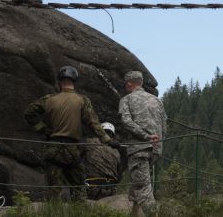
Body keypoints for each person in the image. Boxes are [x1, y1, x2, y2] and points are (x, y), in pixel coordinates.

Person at [23, 66, 118, 202]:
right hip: (73, 151)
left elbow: (28, 113)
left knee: (54, 190)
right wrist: (108, 140)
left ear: (59, 82)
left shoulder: (48, 99)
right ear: (74, 81)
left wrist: (43, 129)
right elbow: (94, 123)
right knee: (79, 190)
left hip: (53, 148)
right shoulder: (82, 100)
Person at [119, 71, 167, 216]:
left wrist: (146, 136)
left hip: (139, 149)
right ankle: (134, 213)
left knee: (143, 189)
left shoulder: (126, 100)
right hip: (155, 150)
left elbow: (126, 122)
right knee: (140, 182)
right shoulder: (156, 100)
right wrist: (158, 142)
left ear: (129, 83)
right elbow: (164, 125)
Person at [85, 122, 122, 200]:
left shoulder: (89, 142)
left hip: (92, 186)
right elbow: (119, 173)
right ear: (113, 134)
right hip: (111, 189)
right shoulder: (116, 151)